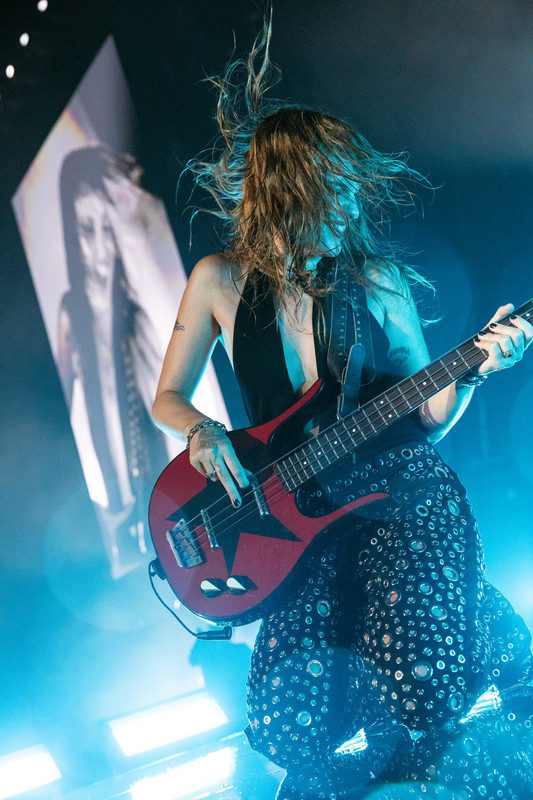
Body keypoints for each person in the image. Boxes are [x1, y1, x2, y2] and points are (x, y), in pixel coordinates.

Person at [152, 24, 533, 800]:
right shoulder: (218, 279)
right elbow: (168, 394)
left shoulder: (379, 280)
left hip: (396, 493)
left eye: (350, 188)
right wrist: (199, 431)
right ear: (287, 194)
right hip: (288, 519)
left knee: (416, 684)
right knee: (287, 723)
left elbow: (427, 418)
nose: (352, 203)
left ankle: (469, 678)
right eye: (333, 190)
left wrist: (478, 370)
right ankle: (491, 644)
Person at [58, 146, 169, 578]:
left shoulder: (140, 318)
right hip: (118, 519)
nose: (97, 249)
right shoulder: (72, 320)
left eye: (108, 229)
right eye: (86, 229)